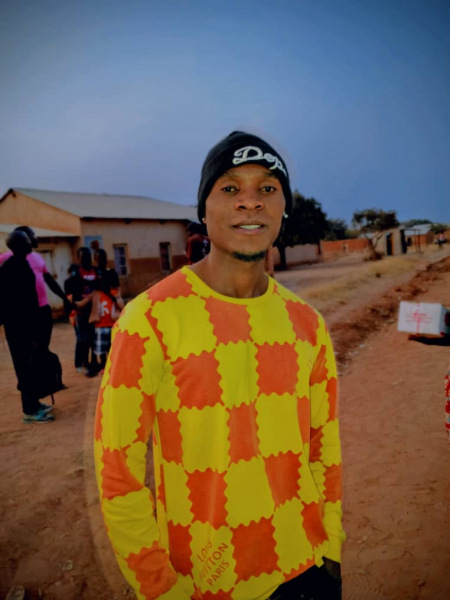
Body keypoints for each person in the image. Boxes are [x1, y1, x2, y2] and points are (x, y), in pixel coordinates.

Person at [94, 131, 345, 600]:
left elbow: (323, 446)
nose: (250, 202)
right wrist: (159, 588)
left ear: (284, 208)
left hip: (308, 568)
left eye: (267, 188)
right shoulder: (150, 320)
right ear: (203, 210)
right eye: (230, 188)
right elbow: (117, 472)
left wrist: (331, 546)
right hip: (207, 582)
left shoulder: (307, 323)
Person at [0, 231, 54, 423]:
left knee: (31, 366)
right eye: (26, 241)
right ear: (19, 245)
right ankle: (29, 411)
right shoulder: (10, 268)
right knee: (24, 368)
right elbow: (10, 302)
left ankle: (34, 403)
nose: (30, 243)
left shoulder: (21, 263)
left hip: (26, 325)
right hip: (18, 327)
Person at [0, 226, 73, 349]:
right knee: (25, 349)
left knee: (42, 348)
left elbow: (49, 280)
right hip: (21, 314)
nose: (35, 237)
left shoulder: (37, 257)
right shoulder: (6, 259)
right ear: (25, 238)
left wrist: (64, 298)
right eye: (33, 234)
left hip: (42, 310)